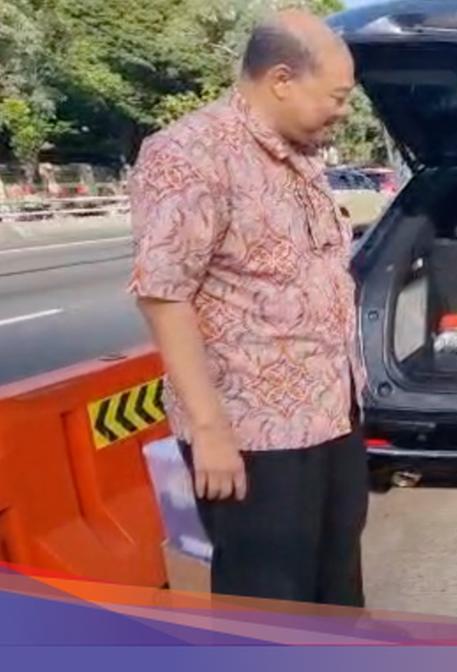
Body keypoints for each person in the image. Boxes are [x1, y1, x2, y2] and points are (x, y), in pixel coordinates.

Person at [128, 10, 367, 604]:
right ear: (282, 78)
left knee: (335, 591)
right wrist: (210, 431)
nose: (343, 111)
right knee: (270, 603)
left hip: (331, 416)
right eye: (336, 96)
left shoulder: (300, 156)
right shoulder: (188, 155)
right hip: (253, 435)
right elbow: (164, 294)